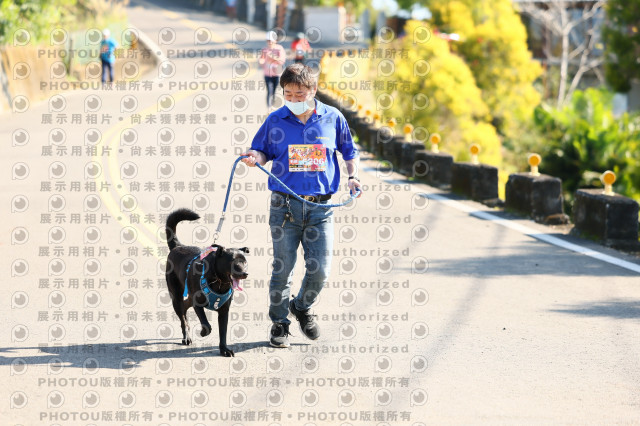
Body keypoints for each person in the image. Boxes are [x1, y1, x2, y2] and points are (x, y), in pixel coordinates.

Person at [241, 63, 363, 348]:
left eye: (299, 94)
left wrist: (353, 176)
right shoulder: (276, 120)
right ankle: (279, 323)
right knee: (283, 269)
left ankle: (301, 307)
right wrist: (254, 158)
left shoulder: (333, 118)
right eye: (288, 94)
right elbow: (262, 151)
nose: (294, 99)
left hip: (321, 209)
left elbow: (349, 152)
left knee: (320, 270)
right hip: (284, 207)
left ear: (313, 90)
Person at [258, 31, 286, 109]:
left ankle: (272, 104)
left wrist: (273, 58)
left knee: (273, 91)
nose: (270, 42)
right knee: (269, 90)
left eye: (271, 41)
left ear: (275, 41)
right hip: (267, 74)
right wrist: (261, 61)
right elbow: (262, 59)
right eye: (268, 41)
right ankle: (269, 108)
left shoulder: (279, 49)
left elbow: (282, 60)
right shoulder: (265, 50)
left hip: (276, 74)